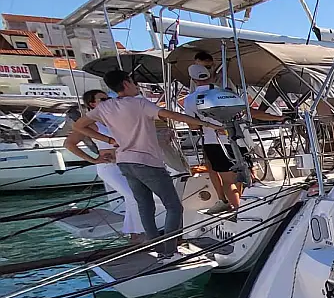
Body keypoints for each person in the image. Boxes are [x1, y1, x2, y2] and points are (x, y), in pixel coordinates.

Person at [73, 69, 223, 260]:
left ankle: (158, 249)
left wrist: (108, 140)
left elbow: (78, 126)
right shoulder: (140, 103)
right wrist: (208, 124)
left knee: (145, 207)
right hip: (147, 162)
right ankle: (170, 251)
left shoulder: (105, 107)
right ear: (126, 83)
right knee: (174, 207)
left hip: (125, 162)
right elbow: (172, 115)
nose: (136, 86)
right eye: (133, 82)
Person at [182, 63, 281, 210]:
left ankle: (238, 209)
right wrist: (278, 118)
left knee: (228, 181)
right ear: (210, 76)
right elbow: (246, 112)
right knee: (243, 175)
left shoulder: (190, 99)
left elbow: (193, 126)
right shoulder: (226, 93)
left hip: (214, 142)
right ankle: (247, 207)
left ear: (193, 80)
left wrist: (205, 123)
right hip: (238, 140)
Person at [64, 89, 144, 239]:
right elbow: (69, 143)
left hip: (126, 163)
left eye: (108, 98)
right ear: (92, 104)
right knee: (133, 196)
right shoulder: (91, 124)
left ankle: (134, 234)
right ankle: (138, 233)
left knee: (132, 197)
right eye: (103, 99)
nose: (108, 101)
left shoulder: (114, 119)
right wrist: (93, 160)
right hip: (109, 167)